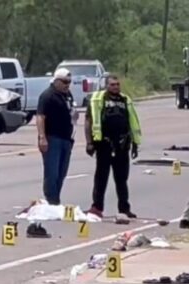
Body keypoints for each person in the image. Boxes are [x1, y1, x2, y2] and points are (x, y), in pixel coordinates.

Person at [84, 75, 142, 218]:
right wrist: (89, 143)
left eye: (117, 84)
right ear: (106, 86)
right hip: (104, 144)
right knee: (101, 177)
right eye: (112, 85)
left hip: (122, 145)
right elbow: (88, 121)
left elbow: (132, 122)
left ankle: (124, 208)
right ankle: (97, 207)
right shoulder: (99, 99)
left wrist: (135, 144)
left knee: (122, 179)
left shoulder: (125, 100)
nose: (116, 87)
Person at [36, 68, 76, 205]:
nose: (67, 85)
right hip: (52, 138)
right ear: (56, 81)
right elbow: (40, 117)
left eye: (69, 82)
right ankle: (51, 200)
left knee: (62, 172)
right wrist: (42, 137)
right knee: (52, 173)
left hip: (66, 138)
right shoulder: (47, 96)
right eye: (65, 82)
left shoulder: (67, 95)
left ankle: (56, 198)